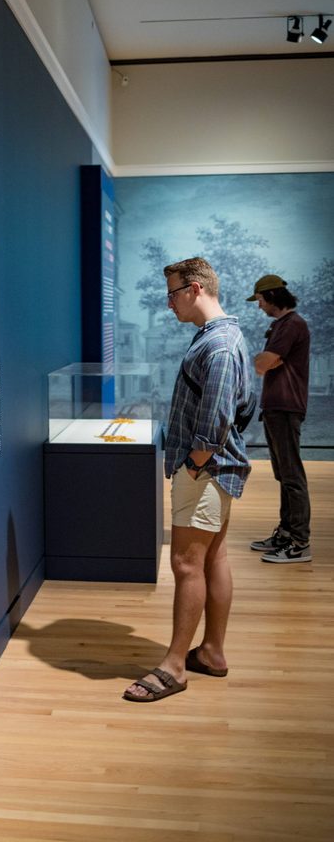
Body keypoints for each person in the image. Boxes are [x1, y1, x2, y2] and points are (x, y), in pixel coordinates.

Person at [124, 257, 252, 703]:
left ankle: (174, 667)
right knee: (213, 556)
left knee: (185, 564)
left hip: (206, 468)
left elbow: (216, 419)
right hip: (217, 469)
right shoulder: (224, 336)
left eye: (174, 293)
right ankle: (212, 652)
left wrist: (195, 462)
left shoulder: (216, 345)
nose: (170, 304)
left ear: (195, 289)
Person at [246, 274, 312, 564]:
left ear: (271, 296)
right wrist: (267, 359)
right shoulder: (281, 325)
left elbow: (262, 363)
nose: (258, 305)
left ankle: (299, 543)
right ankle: (286, 533)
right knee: (283, 475)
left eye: (259, 299)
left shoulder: (291, 325)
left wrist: (266, 359)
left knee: (292, 477)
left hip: (286, 407)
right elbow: (265, 362)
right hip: (275, 408)